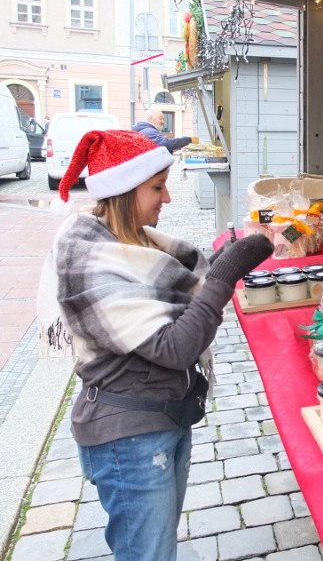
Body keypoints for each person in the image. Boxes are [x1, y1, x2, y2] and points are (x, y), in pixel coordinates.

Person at [42, 129, 272, 560]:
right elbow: (175, 348)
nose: (167, 198)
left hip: (161, 420)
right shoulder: (90, 259)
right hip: (129, 440)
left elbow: (184, 296)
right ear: (125, 191)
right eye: (157, 187)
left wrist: (231, 256)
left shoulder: (136, 243)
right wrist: (228, 271)